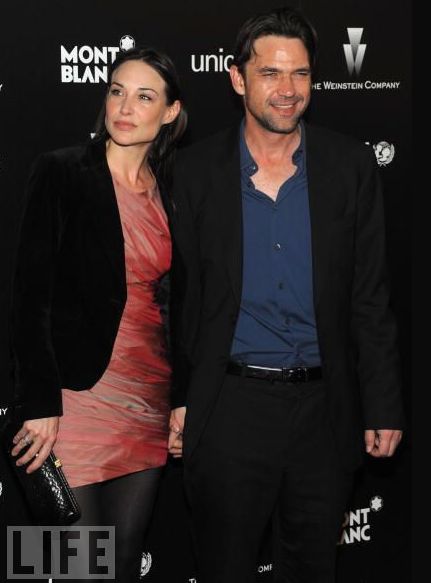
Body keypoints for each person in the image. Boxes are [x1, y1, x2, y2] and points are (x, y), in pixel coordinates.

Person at [168, 7, 405, 583]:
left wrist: (381, 402)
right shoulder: (194, 172)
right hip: (229, 408)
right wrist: (179, 395)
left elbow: (370, 297)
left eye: (300, 73)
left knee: (312, 569)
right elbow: (178, 297)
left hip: (325, 411)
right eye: (270, 73)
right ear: (237, 78)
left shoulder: (349, 166)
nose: (288, 90)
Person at [9, 47, 186, 582]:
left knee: (124, 561)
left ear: (170, 112)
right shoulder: (61, 172)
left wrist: (182, 398)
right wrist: (40, 401)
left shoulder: (173, 192)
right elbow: (30, 297)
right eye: (117, 91)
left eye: (144, 97)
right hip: (74, 400)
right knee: (81, 564)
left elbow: (179, 305)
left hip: (147, 397)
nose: (125, 107)